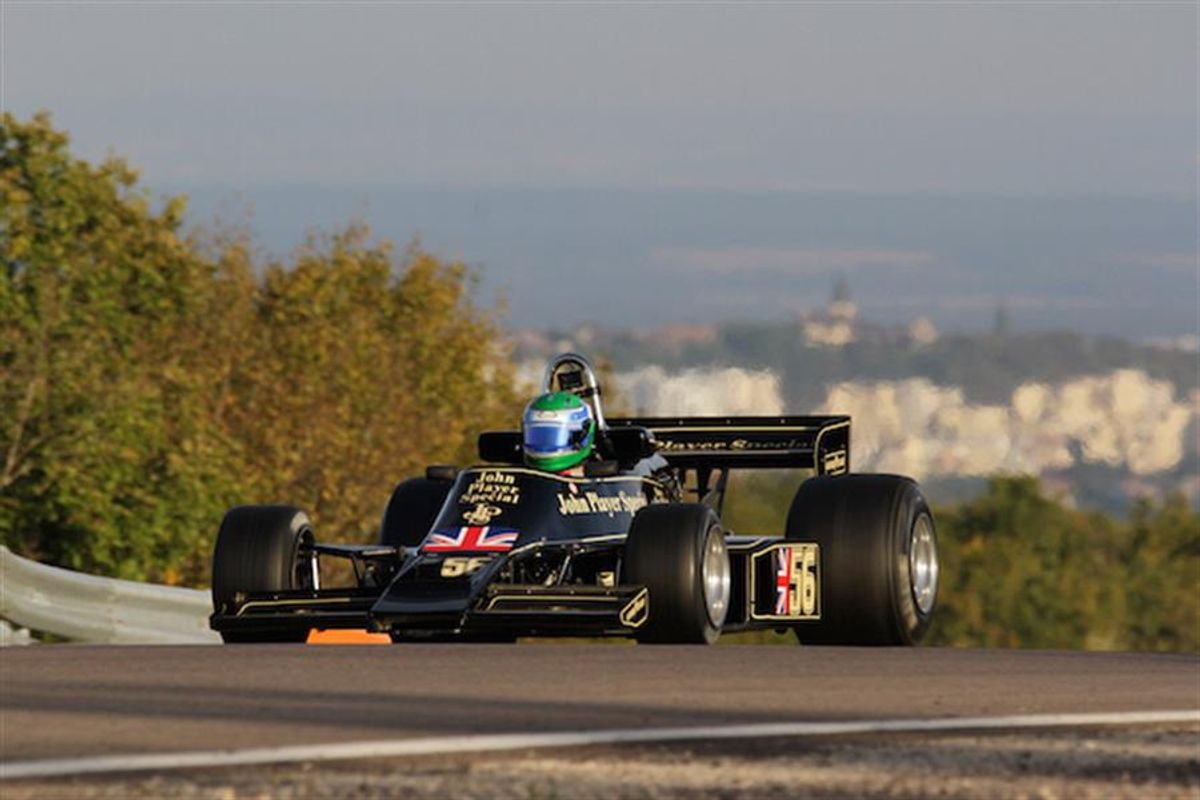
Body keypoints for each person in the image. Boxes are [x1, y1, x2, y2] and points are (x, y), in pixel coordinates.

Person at [522, 391, 596, 475]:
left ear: (582, 436)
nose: (545, 449)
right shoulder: (521, 478)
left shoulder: (602, 483)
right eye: (537, 436)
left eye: (553, 436)